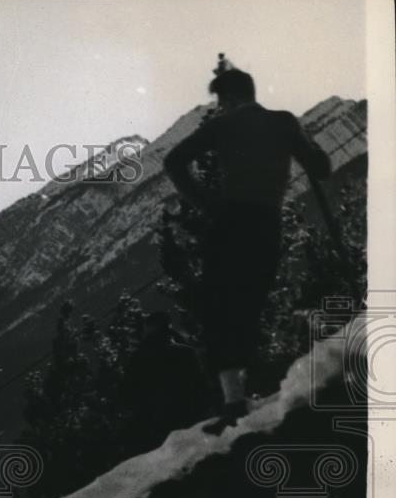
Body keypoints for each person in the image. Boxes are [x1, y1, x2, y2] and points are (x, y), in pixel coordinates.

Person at [162, 55, 331, 434]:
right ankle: (254, 393)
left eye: (221, 101)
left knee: (219, 307)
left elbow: (174, 161)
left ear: (229, 100)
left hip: (229, 223)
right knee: (252, 302)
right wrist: (306, 140)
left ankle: (234, 401)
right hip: (267, 223)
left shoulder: (223, 125)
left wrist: (205, 202)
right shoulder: (283, 121)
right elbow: (321, 169)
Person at [124, 311, 211, 451]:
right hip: (190, 414)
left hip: (158, 422)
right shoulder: (185, 352)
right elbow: (201, 384)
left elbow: (131, 392)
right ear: (168, 327)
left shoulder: (137, 359)